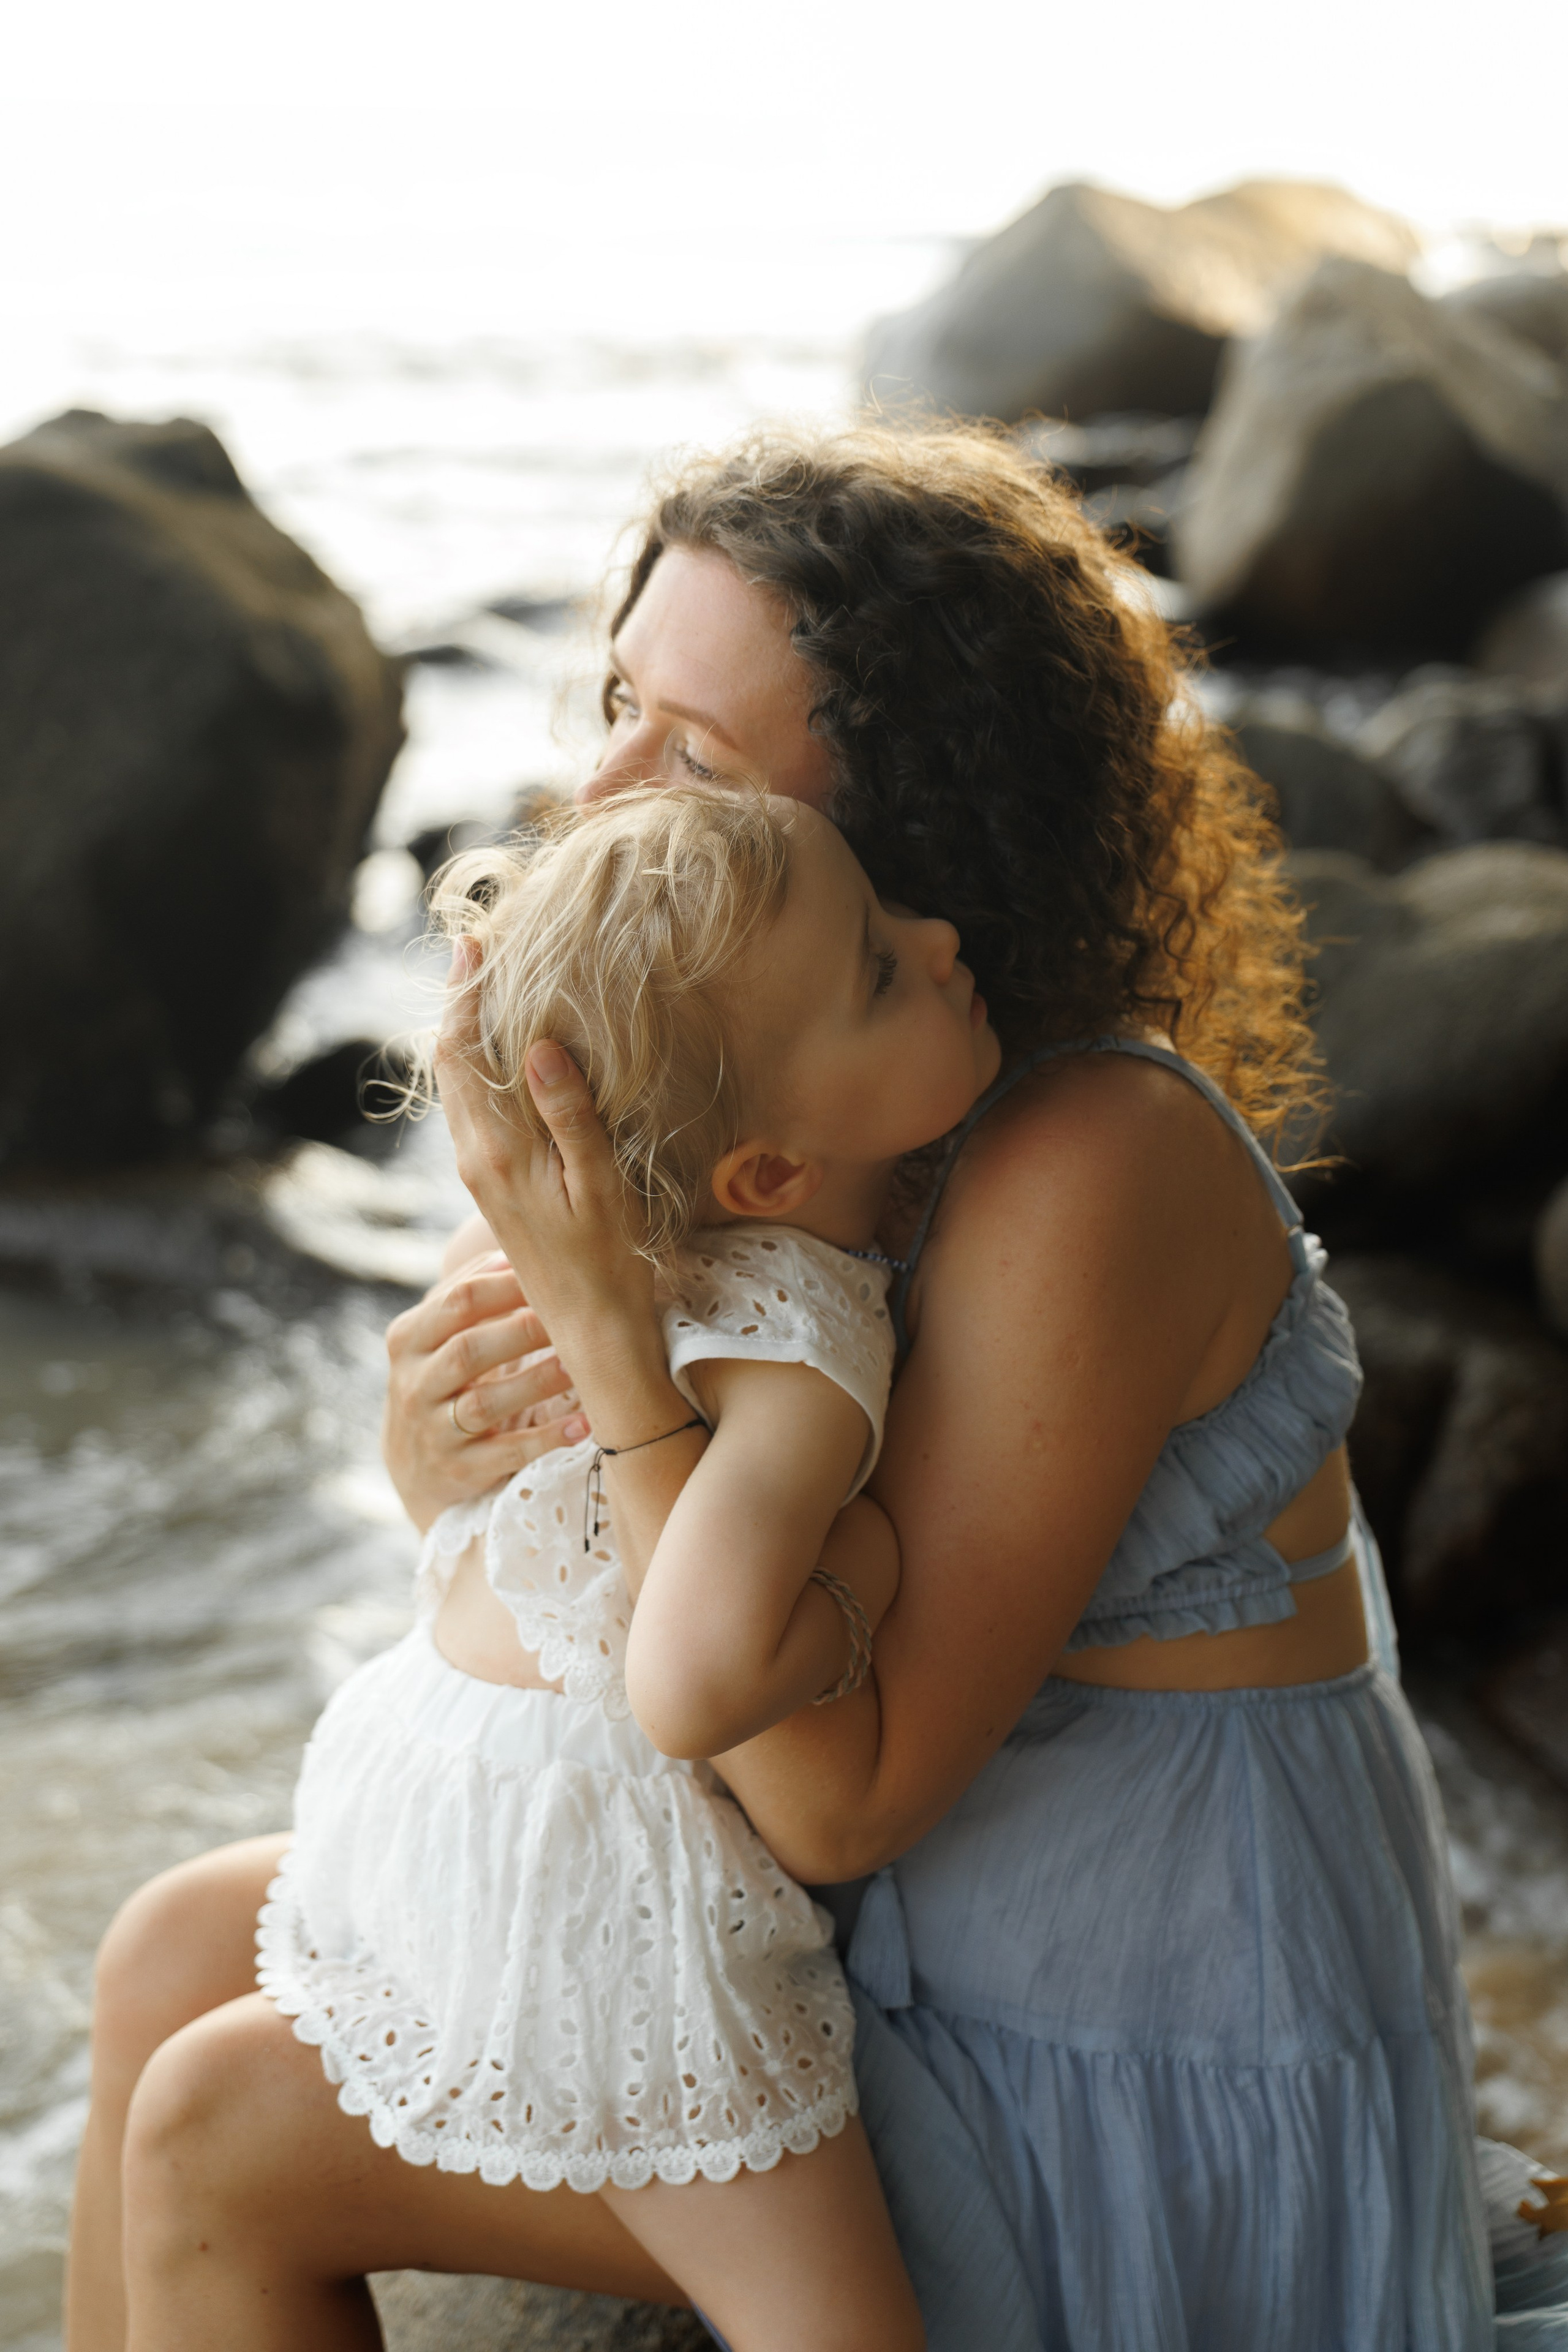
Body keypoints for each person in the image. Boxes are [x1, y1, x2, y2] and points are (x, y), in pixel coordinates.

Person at [69, 421, 1568, 2352]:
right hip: (912, 1977)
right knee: (171, 1950)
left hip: (1140, 2082)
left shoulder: (1085, 1157)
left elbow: (821, 1795)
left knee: (224, 2121)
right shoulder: (791, 1135)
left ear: (918, 826)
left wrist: (616, 1356)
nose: (600, 791)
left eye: (695, 758)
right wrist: (443, 1459)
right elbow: (581, 1608)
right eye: (615, 703)